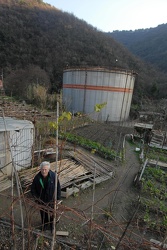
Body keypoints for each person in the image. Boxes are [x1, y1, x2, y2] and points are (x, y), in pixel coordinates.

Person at [31, 161, 61, 232]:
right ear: (40, 169)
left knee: (52, 213)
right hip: (41, 199)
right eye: (43, 169)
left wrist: (58, 198)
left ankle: (51, 226)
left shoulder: (53, 176)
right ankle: (45, 225)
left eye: (46, 169)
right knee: (43, 213)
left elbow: (58, 187)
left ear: (48, 169)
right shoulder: (37, 178)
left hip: (51, 199)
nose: (44, 171)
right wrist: (37, 198)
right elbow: (33, 189)